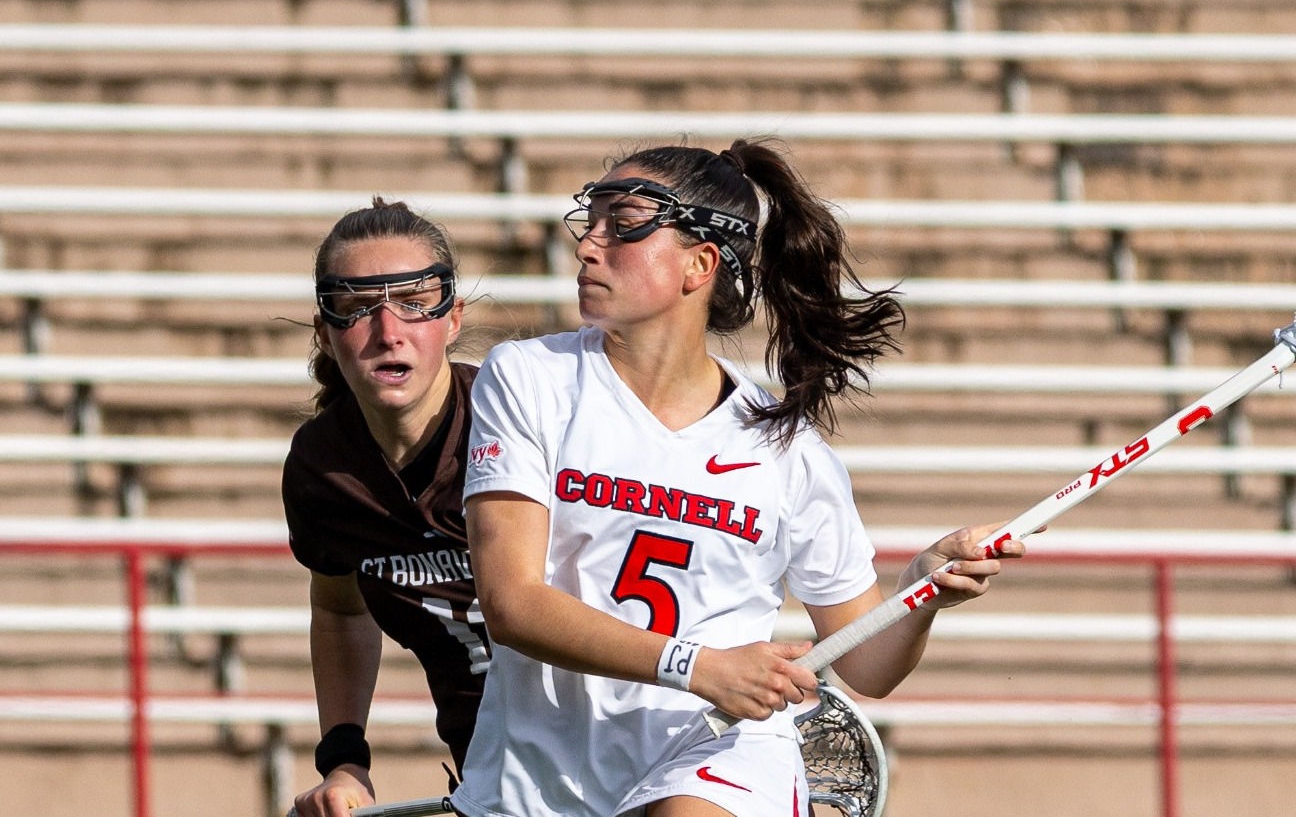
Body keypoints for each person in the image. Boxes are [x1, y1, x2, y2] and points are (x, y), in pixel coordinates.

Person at [453, 138, 1023, 817]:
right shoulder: (528, 378)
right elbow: (512, 602)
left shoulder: (785, 446)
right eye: (592, 220)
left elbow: (866, 667)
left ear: (700, 263)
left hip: (717, 750)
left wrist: (919, 593)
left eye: (625, 223)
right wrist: (699, 667)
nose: (587, 245)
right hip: (542, 775)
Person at [283, 199, 491, 817]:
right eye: (355, 308)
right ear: (324, 331)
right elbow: (341, 610)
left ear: (453, 319)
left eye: (415, 302)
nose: (388, 331)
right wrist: (344, 760)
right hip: (489, 764)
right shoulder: (324, 466)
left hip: (616, 744)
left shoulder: (519, 421)